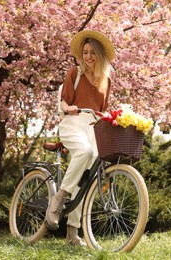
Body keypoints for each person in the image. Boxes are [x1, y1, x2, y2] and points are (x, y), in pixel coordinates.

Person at [45, 30, 115, 246]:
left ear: (100, 55)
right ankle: (58, 199)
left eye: (93, 52)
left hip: (93, 129)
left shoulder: (107, 81)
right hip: (72, 124)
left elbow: (103, 110)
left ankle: (72, 233)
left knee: (87, 177)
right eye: (85, 52)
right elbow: (63, 103)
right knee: (84, 152)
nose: (88, 57)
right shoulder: (74, 73)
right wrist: (70, 108)